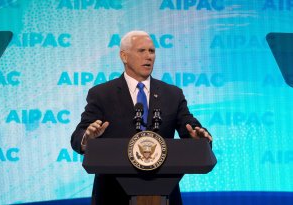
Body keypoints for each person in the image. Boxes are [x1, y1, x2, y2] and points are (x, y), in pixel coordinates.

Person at [71, 30, 212, 205]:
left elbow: (190, 126)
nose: (149, 56)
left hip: (164, 194)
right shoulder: (102, 94)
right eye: (141, 51)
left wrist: (199, 137)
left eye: (151, 51)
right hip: (113, 195)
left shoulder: (172, 94)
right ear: (124, 56)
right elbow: (78, 136)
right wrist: (88, 138)